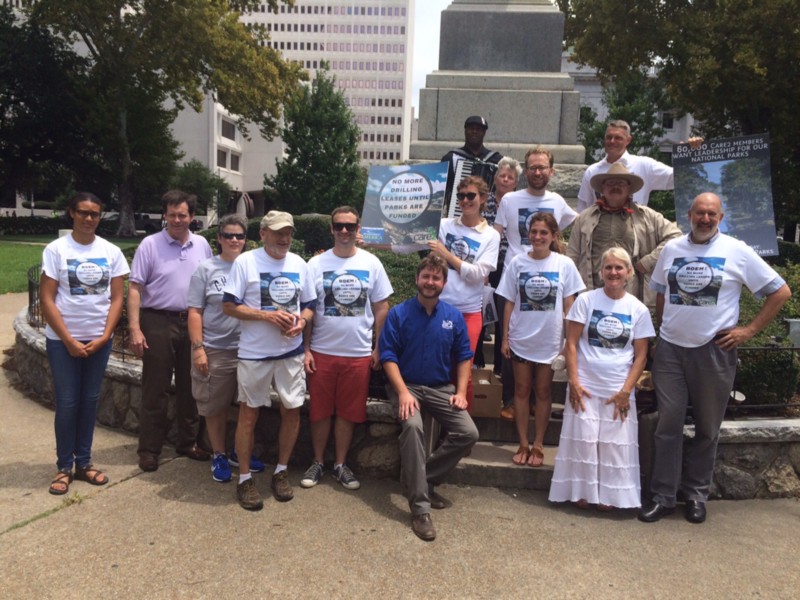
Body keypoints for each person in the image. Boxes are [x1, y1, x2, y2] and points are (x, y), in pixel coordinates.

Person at [639, 193, 791, 524]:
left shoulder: (737, 250)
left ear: (720, 217)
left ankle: (696, 494)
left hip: (714, 351)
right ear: (689, 215)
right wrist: (661, 332)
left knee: (708, 427)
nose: (705, 219)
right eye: (699, 213)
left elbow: (780, 291)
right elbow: (661, 292)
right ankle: (663, 496)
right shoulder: (672, 249)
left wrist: (748, 331)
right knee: (668, 425)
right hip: (671, 351)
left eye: (711, 214)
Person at [379, 254, 479, 541]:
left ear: (444, 283)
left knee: (468, 432)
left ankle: (422, 480)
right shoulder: (399, 314)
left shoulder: (453, 316)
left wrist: (461, 392)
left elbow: (463, 357)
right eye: (426, 276)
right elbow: (388, 356)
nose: (430, 282)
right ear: (417, 279)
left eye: (436, 278)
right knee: (412, 427)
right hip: (405, 385)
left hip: (440, 389)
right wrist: (401, 392)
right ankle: (420, 509)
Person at [223, 211, 315, 511]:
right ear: (262, 233)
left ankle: (281, 471)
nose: (283, 238)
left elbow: (310, 306)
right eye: (277, 232)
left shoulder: (299, 264)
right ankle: (245, 478)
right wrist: (267, 315)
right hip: (255, 354)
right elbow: (229, 305)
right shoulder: (246, 262)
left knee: (292, 411)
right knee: (248, 416)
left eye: (287, 232)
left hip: (290, 353)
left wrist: (301, 322)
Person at [549, 248, 654, 511]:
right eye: (608, 267)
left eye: (619, 267)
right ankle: (581, 492)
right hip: (584, 385)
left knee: (614, 445)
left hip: (618, 388)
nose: (613, 272)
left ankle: (611, 496)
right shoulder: (585, 301)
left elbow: (641, 355)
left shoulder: (638, 309)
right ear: (601, 272)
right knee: (583, 441)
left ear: (629, 273)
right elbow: (571, 344)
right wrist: (573, 381)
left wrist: (626, 390)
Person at [40, 192, 130, 495]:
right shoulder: (56, 250)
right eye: (83, 212)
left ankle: (85, 462)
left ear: (100, 216)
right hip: (63, 340)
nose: (89, 218)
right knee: (67, 403)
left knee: (90, 402)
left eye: (94, 214)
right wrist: (66, 339)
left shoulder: (111, 251)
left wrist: (106, 336)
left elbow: (118, 297)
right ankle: (64, 466)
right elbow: (46, 298)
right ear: (72, 213)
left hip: (99, 340)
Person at [301, 206, 393, 490]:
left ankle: (340, 464)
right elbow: (307, 309)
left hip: (358, 353)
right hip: (321, 351)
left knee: (347, 413)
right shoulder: (314, 265)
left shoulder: (372, 263)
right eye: (339, 226)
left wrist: (378, 347)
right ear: (331, 229)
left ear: (358, 230)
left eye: (350, 227)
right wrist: (305, 350)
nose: (344, 231)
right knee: (319, 412)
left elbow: (381, 307)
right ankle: (317, 462)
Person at [129, 190, 212, 472]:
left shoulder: (202, 245)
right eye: (172, 214)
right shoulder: (150, 245)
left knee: (192, 386)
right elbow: (135, 288)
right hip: (158, 321)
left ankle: (188, 442)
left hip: (192, 320)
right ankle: (150, 449)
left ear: (192, 217)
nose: (177, 220)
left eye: (183, 214)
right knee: (156, 388)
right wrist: (135, 328)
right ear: (165, 215)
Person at [496, 213, 584, 468]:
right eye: (534, 232)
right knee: (521, 391)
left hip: (549, 339)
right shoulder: (517, 263)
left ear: (554, 236)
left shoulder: (564, 265)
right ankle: (523, 443)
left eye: (543, 232)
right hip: (522, 337)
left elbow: (570, 305)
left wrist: (570, 342)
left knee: (544, 391)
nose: (537, 237)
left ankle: (539, 444)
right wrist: (505, 337)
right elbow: (509, 301)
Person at [187, 214, 251, 484]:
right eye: (228, 235)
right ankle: (219, 454)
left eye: (239, 236)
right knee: (216, 406)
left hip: (249, 348)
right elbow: (194, 311)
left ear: (245, 240)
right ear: (219, 239)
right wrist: (198, 348)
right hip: (216, 348)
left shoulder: (252, 266)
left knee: (248, 406)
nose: (234, 240)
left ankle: (240, 452)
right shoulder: (206, 269)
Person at [427, 176, 500, 410]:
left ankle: (461, 429)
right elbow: (409, 242)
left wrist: (447, 255)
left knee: (463, 372)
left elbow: (478, 274)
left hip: (468, 312)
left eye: (471, 196)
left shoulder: (491, 235)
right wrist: (371, 241)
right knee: (437, 367)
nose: (466, 200)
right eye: (461, 196)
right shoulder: (445, 225)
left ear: (483, 199)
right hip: (438, 308)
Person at [567, 162, 682, 307]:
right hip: (591, 295)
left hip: (632, 297)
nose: (615, 186)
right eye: (610, 183)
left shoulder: (647, 216)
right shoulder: (584, 218)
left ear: (629, 189)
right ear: (602, 188)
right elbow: (572, 256)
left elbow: (676, 236)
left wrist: (649, 261)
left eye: (620, 183)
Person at [576, 119, 703, 212]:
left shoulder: (644, 165)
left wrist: (690, 154)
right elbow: (583, 209)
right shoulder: (592, 171)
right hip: (600, 237)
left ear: (628, 140)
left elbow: (677, 179)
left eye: (618, 138)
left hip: (634, 234)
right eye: (609, 137)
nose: (612, 141)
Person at [494, 145, 578, 269]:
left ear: (551, 171)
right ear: (526, 172)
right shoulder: (509, 200)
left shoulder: (557, 201)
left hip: (548, 272)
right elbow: (494, 238)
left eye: (542, 168)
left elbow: (582, 223)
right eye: (533, 168)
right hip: (513, 274)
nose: (537, 173)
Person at [480, 157, 521, 373]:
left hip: (508, 266)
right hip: (486, 264)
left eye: (510, 177)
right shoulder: (482, 200)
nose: (505, 180)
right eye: (502, 176)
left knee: (503, 317)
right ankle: (477, 360)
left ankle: (499, 367)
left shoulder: (518, 203)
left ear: (515, 182)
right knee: (481, 311)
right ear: (495, 179)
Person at [441, 115, 502, 204]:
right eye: (471, 128)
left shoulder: (496, 160)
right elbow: (442, 189)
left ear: (484, 133)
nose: (474, 132)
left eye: (478, 129)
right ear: (465, 131)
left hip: (488, 213)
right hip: (459, 212)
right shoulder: (450, 158)